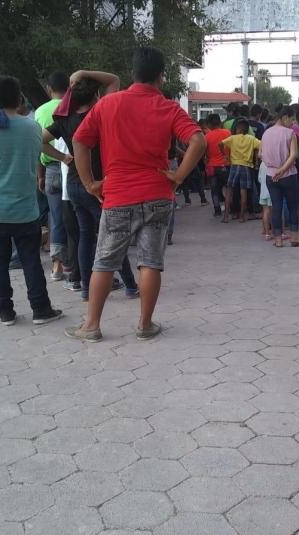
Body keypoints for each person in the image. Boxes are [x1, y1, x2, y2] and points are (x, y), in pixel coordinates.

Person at [70, 47, 206, 342]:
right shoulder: (168, 107)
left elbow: (80, 142)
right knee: (150, 261)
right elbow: (198, 140)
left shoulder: (108, 104)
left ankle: (91, 326)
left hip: (117, 195)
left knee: (104, 261)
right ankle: (145, 325)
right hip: (158, 194)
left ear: (132, 74)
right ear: (161, 76)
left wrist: (90, 183)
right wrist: (179, 176)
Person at [0, 76, 64, 326]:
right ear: (19, 99)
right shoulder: (31, 127)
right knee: (31, 260)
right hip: (26, 209)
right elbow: (35, 153)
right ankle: (40, 309)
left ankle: (5, 311)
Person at [44, 70, 139, 303]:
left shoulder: (64, 119)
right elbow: (115, 79)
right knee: (112, 236)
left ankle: (87, 288)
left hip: (74, 184)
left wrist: (62, 157)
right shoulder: (100, 113)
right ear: (96, 95)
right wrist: (84, 72)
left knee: (86, 236)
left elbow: (40, 141)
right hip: (98, 185)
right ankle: (130, 284)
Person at [34, 72, 75, 282]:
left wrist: (40, 176)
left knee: (56, 219)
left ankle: (57, 266)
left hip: (50, 169)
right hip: (72, 168)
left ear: (49, 89)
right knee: (75, 218)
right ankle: (72, 265)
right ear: (69, 88)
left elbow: (37, 145)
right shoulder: (72, 107)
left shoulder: (40, 111)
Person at [260, 106, 299, 248]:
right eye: (292, 119)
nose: (293, 123)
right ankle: (294, 238)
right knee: (293, 207)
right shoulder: (290, 133)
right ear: (284, 117)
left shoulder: (266, 133)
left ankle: (278, 240)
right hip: (288, 175)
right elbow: (293, 155)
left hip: (270, 175)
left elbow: (261, 154)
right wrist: (282, 169)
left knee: (276, 207)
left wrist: (275, 169)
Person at [219, 118, 260, 223]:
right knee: (243, 192)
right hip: (246, 167)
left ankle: (226, 216)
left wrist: (225, 155)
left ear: (238, 129)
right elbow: (261, 145)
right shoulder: (251, 139)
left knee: (229, 191)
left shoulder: (233, 138)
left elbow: (220, 144)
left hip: (234, 166)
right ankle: (242, 216)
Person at [204, 113, 231, 217]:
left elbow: (205, 154)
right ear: (220, 122)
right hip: (226, 165)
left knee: (214, 190)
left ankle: (217, 210)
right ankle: (230, 208)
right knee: (228, 187)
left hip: (212, 167)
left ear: (209, 124)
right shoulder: (228, 133)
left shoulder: (207, 136)